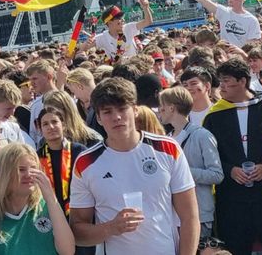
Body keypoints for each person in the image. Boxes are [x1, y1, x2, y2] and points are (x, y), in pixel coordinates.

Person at [69, 77, 199, 255]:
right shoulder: (86, 163)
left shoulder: (167, 149)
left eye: (123, 109)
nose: (116, 117)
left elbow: (190, 217)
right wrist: (111, 228)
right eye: (107, 112)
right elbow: (77, 230)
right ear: (98, 118)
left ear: (136, 110)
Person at [202, 59, 262, 255]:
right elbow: (209, 158)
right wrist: (230, 169)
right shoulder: (214, 116)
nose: (221, 86)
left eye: (226, 81)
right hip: (232, 200)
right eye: (220, 81)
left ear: (242, 82)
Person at [0, 143, 75, 255]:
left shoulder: (47, 207)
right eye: (21, 169)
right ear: (3, 174)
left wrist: (51, 199)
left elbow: (68, 251)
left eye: (33, 168)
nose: (29, 174)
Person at [159, 86, 224, 237]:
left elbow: (216, 175)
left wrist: (183, 171)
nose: (159, 109)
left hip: (199, 214)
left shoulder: (202, 135)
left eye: (162, 105)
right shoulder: (166, 139)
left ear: (171, 108)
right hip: (172, 216)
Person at [35, 105, 86, 216]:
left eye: (54, 121)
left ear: (63, 125)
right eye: (45, 124)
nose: (51, 127)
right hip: (50, 214)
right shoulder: (37, 157)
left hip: (80, 212)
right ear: (40, 129)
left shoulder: (80, 152)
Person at [174, 0, 262, 47]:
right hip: (225, 56)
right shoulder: (224, 12)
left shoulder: (252, 20)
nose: (230, 0)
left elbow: (253, 45)